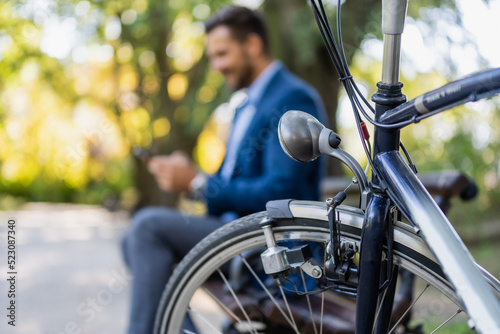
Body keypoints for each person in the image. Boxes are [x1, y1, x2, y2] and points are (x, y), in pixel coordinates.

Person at [121, 6, 327, 334]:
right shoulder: (249, 103)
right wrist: (192, 180)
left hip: (271, 246)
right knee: (135, 235)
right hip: (238, 235)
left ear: (253, 46)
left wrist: (199, 182)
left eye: (222, 54)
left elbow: (280, 192)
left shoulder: (292, 97)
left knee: (147, 228)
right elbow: (231, 184)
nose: (216, 66)